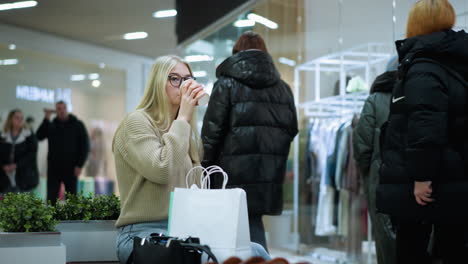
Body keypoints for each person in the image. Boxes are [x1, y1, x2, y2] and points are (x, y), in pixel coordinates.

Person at [378, 0, 468, 263]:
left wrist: (422, 176)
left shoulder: (424, 67)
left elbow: (425, 125)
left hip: (426, 185)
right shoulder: (456, 63)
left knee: (411, 251)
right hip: (457, 177)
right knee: (453, 249)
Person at [201, 31, 299, 250]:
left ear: (237, 52)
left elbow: (211, 133)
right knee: (254, 228)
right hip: (267, 176)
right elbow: (292, 129)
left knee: (224, 236)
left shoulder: (226, 84)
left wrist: (204, 169)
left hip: (229, 175)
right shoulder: (283, 89)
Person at [353, 59, 398, 264]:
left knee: (386, 241)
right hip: (420, 181)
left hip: (380, 179)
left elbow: (362, 146)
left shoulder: (375, 99)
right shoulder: (426, 94)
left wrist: (368, 173)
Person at [36, 101, 90, 204]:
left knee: (72, 199)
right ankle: (51, 219)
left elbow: (85, 146)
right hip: (54, 169)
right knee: (51, 199)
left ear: (67, 109)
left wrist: (79, 165)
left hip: (71, 168)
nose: (62, 111)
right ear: (56, 111)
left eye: (63, 108)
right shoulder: (51, 125)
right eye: (59, 109)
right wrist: (46, 119)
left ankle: (73, 219)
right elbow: (39, 136)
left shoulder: (77, 125)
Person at [0, 109, 39, 193]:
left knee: (22, 204)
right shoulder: (3, 135)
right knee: (7, 204)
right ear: (10, 119)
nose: (20, 120)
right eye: (17, 118)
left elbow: (31, 155)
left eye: (21, 118)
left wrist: (16, 165)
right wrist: (3, 166)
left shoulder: (29, 135)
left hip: (25, 178)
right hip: (5, 179)